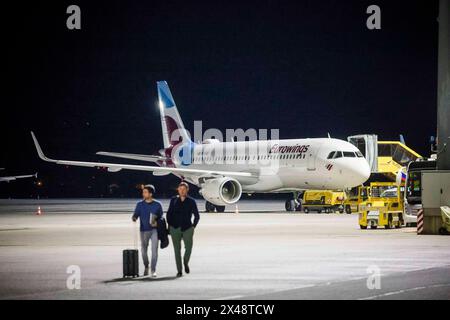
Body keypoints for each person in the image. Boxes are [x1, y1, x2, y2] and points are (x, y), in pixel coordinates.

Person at [166, 181, 200, 277]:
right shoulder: (173, 200)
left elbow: (197, 216)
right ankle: (179, 270)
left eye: (184, 189)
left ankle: (185, 262)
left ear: (187, 190)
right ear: (178, 190)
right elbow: (169, 213)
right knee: (177, 250)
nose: (181, 191)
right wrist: (170, 225)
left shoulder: (191, 201)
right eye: (180, 189)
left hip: (187, 228)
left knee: (188, 248)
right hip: (175, 228)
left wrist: (193, 226)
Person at [132, 184, 163, 277]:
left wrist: (158, 221)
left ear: (150, 194)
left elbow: (161, 216)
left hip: (154, 230)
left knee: (154, 251)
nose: (143, 194)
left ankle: (153, 270)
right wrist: (134, 217)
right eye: (143, 192)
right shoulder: (139, 204)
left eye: (145, 192)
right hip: (143, 230)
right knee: (143, 251)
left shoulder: (158, 204)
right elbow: (136, 214)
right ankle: (146, 266)